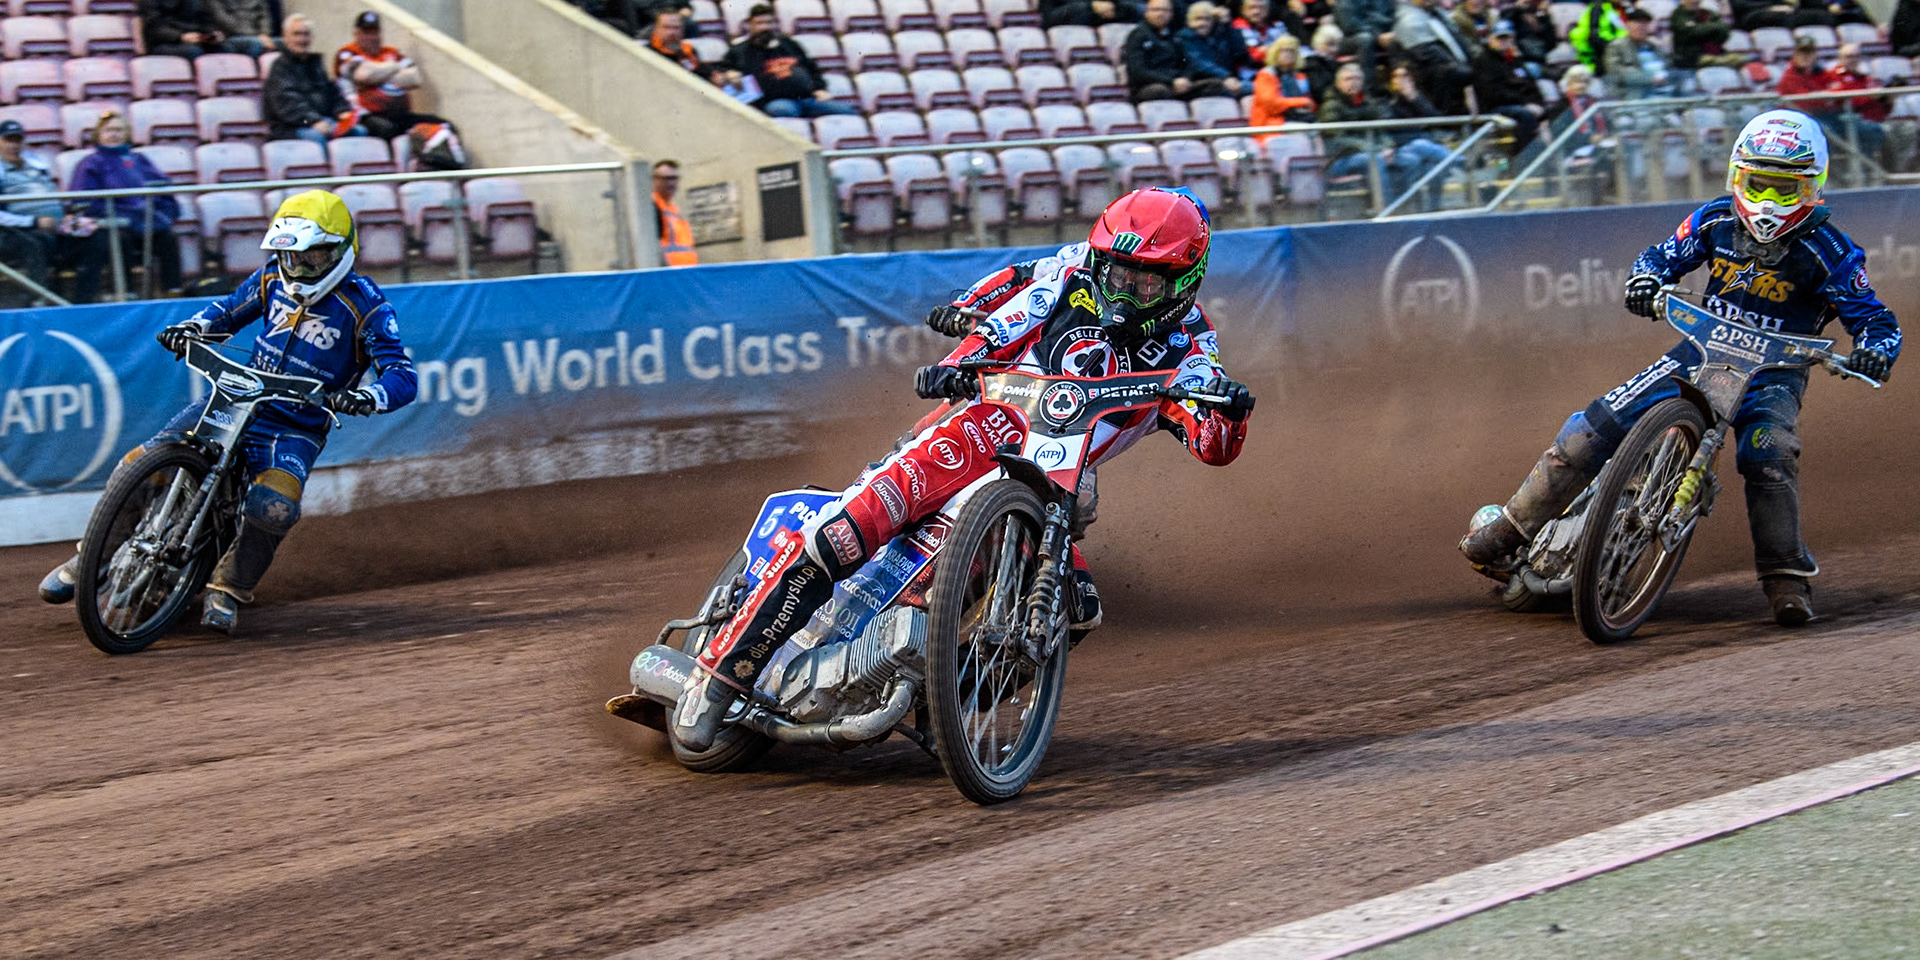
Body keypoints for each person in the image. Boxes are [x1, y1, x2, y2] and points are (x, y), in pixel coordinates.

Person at [670, 188, 1255, 751]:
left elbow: (1213, 443)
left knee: (1075, 608)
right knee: (853, 525)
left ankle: (938, 703)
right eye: (1117, 273)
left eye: (1145, 281)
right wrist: (963, 353)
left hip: (1056, 479)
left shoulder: (1192, 346)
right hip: (985, 422)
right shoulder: (1075, 272)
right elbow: (1018, 301)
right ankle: (717, 679)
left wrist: (1228, 410)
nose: (1124, 291)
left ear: (1184, 284)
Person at [1460, 110, 1900, 627]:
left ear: (1812, 188)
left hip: (1773, 373)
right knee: (1591, 427)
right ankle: (1511, 528)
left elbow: (1876, 319)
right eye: (1758, 184)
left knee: (1769, 455)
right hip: (1699, 352)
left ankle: (1785, 576)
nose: (1766, 201)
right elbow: (1662, 256)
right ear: (1738, 177)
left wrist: (1874, 349)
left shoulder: (1833, 252)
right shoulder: (1714, 220)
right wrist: (1645, 280)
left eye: (1784, 190)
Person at [39, 191, 418, 634]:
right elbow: (226, 312)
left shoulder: (367, 306)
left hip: (293, 426)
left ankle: (228, 587)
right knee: (137, 465)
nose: (298, 269)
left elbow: (402, 374)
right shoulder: (271, 279)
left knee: (273, 506)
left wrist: (368, 396)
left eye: (313, 258)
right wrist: (194, 327)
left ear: (339, 250)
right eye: (290, 257)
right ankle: (90, 558)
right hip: (235, 399)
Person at [68, 112, 183, 304]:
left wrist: (163, 213)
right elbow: (84, 200)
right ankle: (126, 294)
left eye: (119, 130)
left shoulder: (140, 159)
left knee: (167, 238)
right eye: (108, 130)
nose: (114, 134)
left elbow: (162, 188)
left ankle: (173, 292)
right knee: (120, 240)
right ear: (99, 134)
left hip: (146, 221)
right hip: (114, 223)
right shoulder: (90, 163)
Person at [720, 5, 859, 118]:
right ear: (750, 25)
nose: (765, 27)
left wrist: (819, 88)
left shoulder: (790, 45)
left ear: (775, 24)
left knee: (847, 110)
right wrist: (729, 74)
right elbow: (723, 72)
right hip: (775, 102)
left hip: (807, 99)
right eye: (759, 23)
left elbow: (811, 69)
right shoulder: (739, 51)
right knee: (784, 111)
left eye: (769, 23)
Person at [334, 11, 449, 140]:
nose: (372, 37)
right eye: (367, 33)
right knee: (388, 130)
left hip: (401, 115)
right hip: (365, 115)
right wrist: (394, 66)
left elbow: (415, 78)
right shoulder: (348, 53)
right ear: (357, 34)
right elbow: (364, 75)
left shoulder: (391, 52)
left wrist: (377, 75)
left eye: (375, 32)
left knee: (444, 126)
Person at [1780, 38, 1887, 163]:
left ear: (1815, 54)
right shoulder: (1789, 77)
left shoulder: (1823, 74)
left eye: (1809, 52)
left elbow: (1839, 92)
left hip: (1832, 116)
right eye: (1802, 53)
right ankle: (1832, 177)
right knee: (1825, 134)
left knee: (1871, 130)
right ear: (1795, 55)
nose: (1806, 56)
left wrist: (1830, 96)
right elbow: (1807, 103)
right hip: (1804, 120)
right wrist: (1830, 96)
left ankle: (1867, 171)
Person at [0, 120, 72, 303]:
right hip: (14, 229)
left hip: (54, 223)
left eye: (17, 139)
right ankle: (41, 302)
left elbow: (52, 194)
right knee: (35, 243)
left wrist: (67, 214)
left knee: (97, 239)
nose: (14, 145)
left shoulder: (37, 164)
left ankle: (83, 302)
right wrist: (34, 221)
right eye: (8, 139)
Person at [264, 15, 364, 144]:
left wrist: (342, 111)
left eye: (306, 34)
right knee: (317, 137)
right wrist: (312, 121)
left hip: (321, 121)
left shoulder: (315, 65)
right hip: (290, 128)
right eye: (296, 34)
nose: (302, 39)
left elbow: (333, 93)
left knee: (358, 131)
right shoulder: (279, 68)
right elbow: (288, 106)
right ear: (285, 37)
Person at [1127, 0, 1243, 101]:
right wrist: (1171, 81)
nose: (1161, 14)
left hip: (1179, 83)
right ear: (1146, 12)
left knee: (1216, 85)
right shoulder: (1137, 36)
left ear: (1171, 14)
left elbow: (1187, 62)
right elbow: (1138, 71)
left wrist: (1186, 78)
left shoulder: (1175, 35)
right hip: (1148, 86)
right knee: (1161, 91)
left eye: (1165, 10)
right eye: (1156, 10)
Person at [1472, 20, 1546, 151]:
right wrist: (1525, 104)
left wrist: (1538, 104)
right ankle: (1525, 159)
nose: (1503, 41)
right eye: (1499, 38)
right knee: (1524, 115)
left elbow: (1531, 84)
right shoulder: (1484, 61)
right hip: (1496, 107)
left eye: (1507, 37)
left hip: (1521, 103)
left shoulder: (1514, 59)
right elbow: (1493, 94)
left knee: (1553, 109)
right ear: (1491, 38)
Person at [1393, 0, 1474, 113]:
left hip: (1454, 82)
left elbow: (1463, 46)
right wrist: (1473, 71)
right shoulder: (1409, 21)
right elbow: (1436, 58)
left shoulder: (1439, 15)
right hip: (1432, 88)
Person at [1252, 35, 1319, 138]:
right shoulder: (1266, 74)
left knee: (1319, 131)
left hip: (1299, 119)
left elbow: (1310, 102)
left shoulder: (1300, 76)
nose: (1288, 54)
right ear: (1275, 53)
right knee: (1306, 132)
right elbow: (1271, 104)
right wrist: (1300, 102)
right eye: (1283, 51)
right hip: (1273, 123)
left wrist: (1308, 104)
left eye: (1292, 51)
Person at [138, 0, 253, 58]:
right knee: (195, 51)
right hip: (166, 43)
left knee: (226, 47)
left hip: (198, 39)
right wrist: (181, 37)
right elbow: (153, 29)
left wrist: (212, 35)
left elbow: (206, 20)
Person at [1179, 1, 1257, 86]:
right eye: (1198, 19)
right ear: (1189, 21)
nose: (1203, 23)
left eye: (1207, 19)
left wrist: (1228, 26)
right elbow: (1199, 63)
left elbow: (1240, 54)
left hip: (1228, 81)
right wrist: (1226, 76)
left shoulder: (1220, 36)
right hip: (1199, 81)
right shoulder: (1185, 36)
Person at [1670, 0, 1745, 85]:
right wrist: (1711, 29)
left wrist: (1703, 29)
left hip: (1716, 53)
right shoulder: (1678, 15)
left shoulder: (1708, 13)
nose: (1695, 1)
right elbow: (1691, 33)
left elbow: (1724, 30)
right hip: (1692, 58)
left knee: (1743, 59)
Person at [1603, 8, 1673, 98]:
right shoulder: (1617, 46)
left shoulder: (1654, 47)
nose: (1641, 27)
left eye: (1644, 24)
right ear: (1628, 25)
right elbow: (1616, 72)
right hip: (1634, 96)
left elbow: (1667, 67)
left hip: (1665, 94)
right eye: (1637, 23)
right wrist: (1650, 79)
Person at [1334, 0, 1395, 91]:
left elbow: (1391, 17)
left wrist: (1389, 33)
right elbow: (1349, 26)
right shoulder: (1345, 2)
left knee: (1397, 37)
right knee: (1365, 40)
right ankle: (1368, 87)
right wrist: (1377, 34)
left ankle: (1400, 85)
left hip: (1379, 33)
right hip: (1347, 38)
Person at [652, 159, 697, 266]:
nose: (671, 183)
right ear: (655, 180)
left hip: (685, 272)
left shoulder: (672, 208)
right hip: (670, 274)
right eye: (666, 179)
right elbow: (656, 247)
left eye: (674, 178)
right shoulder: (653, 206)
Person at [1568, 0, 1626, 75]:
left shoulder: (1612, 9)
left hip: (1613, 54)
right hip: (1596, 62)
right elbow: (1594, 39)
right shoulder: (1597, 9)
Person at [1233, 0, 1297, 67]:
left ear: (1267, 10)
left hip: (1278, 68)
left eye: (1261, 8)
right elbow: (1253, 56)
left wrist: (1267, 49)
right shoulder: (1238, 26)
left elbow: (1291, 48)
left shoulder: (1278, 25)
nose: (1256, 12)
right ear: (1243, 10)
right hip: (1249, 71)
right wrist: (1276, 48)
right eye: (1251, 7)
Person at [206, 0, 280, 56]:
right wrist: (256, 36)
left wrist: (264, 34)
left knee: (284, 42)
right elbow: (224, 21)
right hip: (229, 37)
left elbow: (264, 16)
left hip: (259, 36)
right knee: (256, 44)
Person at [1501, 0, 1556, 70]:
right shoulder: (1514, 15)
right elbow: (1505, 28)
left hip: (1541, 58)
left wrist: (1545, 16)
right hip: (1521, 58)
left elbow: (1551, 43)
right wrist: (1516, 9)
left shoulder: (1542, 17)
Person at [1302, 23, 1343, 100]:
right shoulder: (1311, 64)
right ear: (1319, 43)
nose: (1335, 49)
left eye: (1338, 44)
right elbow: (1319, 91)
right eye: (1330, 44)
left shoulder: (1333, 63)